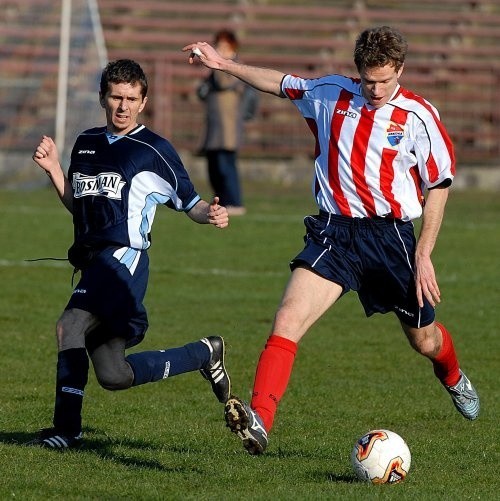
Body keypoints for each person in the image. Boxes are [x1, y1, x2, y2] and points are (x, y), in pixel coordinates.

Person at [183, 26, 480, 456]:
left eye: (384, 80)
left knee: (424, 340)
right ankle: (259, 419)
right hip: (334, 233)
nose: (375, 90)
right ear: (357, 71)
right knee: (287, 320)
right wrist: (224, 64)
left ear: (399, 69)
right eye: (367, 80)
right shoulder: (330, 93)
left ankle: (453, 377)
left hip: (390, 239)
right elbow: (279, 83)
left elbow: (439, 184)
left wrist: (424, 251)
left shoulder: (418, 116)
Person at [29, 59, 231, 449]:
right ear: (103, 97)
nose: (123, 106)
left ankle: (65, 430)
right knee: (113, 374)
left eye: (131, 98)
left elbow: (190, 203)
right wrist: (55, 170)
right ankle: (204, 354)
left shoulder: (154, 150)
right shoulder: (85, 143)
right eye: (116, 97)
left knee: (69, 325)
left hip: (124, 259)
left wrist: (212, 213)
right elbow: (82, 206)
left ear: (143, 102)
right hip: (93, 262)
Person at [196, 29, 258, 216]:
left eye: (224, 46)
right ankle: (221, 201)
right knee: (214, 167)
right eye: (218, 46)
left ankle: (235, 202)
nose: (220, 49)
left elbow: (224, 83)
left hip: (228, 126)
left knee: (226, 166)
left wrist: (220, 63)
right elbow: (203, 92)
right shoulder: (216, 68)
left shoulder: (235, 67)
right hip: (214, 126)